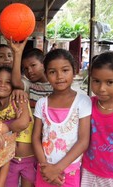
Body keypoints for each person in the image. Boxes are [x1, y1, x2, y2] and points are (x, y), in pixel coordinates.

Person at [32, 49, 92, 186]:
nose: (59, 76)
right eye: (52, 72)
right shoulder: (42, 103)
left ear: (74, 71)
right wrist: (46, 167)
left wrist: (56, 169)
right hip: (44, 171)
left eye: (65, 70)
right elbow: (35, 138)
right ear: (46, 74)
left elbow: (83, 141)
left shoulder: (83, 101)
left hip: (70, 171)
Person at [81, 52, 113, 187]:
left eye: (110, 82)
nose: (101, 88)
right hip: (87, 172)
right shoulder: (87, 105)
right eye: (96, 81)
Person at [0, 66, 35, 187]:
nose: (2, 85)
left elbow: (22, 123)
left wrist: (1, 127)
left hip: (28, 158)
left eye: (8, 82)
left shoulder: (18, 98)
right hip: (8, 160)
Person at [10, 38, 53, 110]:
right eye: (25, 68)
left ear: (44, 64)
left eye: (33, 65)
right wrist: (17, 53)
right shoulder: (29, 85)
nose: (29, 71)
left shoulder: (55, 84)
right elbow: (16, 83)